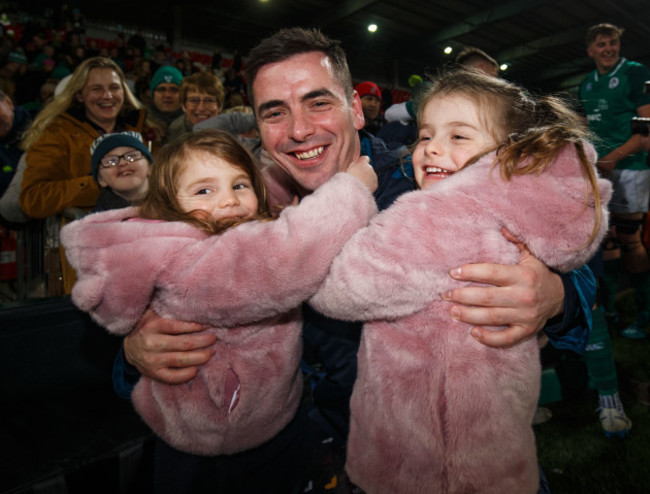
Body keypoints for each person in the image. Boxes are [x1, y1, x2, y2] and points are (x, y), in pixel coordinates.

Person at [117, 27, 595, 492]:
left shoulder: (426, 178)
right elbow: (154, 292)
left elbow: (570, 270)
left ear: (356, 109)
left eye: (318, 103)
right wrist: (135, 349)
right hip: (292, 452)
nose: (300, 130)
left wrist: (555, 295)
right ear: (257, 126)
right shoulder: (235, 205)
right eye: (275, 112)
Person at [309, 68, 610, 494]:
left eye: (459, 137)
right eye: (426, 135)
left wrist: (556, 295)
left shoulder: (420, 204)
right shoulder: (244, 188)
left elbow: (335, 289)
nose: (432, 149)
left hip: (414, 458)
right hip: (481, 450)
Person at [62, 128, 378, 494]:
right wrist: (350, 191)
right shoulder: (186, 261)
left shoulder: (237, 230)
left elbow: (266, 214)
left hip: (277, 428)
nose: (228, 201)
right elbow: (281, 257)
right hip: (207, 448)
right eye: (203, 190)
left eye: (239, 185)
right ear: (169, 207)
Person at [19, 56, 159, 293]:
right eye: (97, 89)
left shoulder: (145, 129)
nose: (108, 96)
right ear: (79, 95)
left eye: (114, 88)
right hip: (92, 262)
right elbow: (33, 198)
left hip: (150, 250)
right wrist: (102, 183)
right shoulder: (56, 134)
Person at [579, 23, 650, 339]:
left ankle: (644, 314)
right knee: (600, 243)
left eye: (613, 43)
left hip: (629, 169)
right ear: (590, 50)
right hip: (597, 172)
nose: (608, 48)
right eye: (601, 44)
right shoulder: (586, 84)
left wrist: (612, 158)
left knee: (629, 241)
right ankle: (608, 311)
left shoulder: (635, 72)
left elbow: (647, 133)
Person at [89, 131, 153, 211]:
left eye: (132, 156)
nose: (123, 163)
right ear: (101, 179)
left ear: (150, 167)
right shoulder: (96, 221)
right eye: (111, 161)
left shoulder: (171, 204)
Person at [167, 71, 225, 142]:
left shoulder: (233, 133)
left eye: (209, 100)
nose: (201, 108)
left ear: (220, 106)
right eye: (194, 100)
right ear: (184, 106)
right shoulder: (174, 133)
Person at [148, 65, 184, 140]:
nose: (167, 95)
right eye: (162, 89)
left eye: (174, 90)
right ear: (153, 93)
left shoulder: (191, 125)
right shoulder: (141, 123)